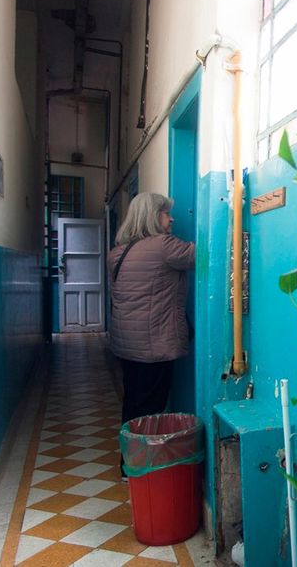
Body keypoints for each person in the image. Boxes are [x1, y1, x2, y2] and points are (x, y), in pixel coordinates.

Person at [108, 192, 195, 478]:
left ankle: (128, 464)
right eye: (166, 213)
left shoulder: (118, 252)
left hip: (127, 343)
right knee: (151, 408)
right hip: (153, 345)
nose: (172, 219)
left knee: (133, 402)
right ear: (152, 216)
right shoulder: (163, 246)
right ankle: (141, 471)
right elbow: (204, 253)